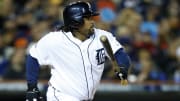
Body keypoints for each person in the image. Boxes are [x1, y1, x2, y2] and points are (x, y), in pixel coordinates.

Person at [25, 1, 131, 101]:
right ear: (76, 21)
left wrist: (122, 67)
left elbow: (120, 54)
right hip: (61, 96)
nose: (92, 21)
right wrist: (32, 86)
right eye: (88, 18)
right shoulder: (55, 40)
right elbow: (33, 57)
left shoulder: (102, 36)